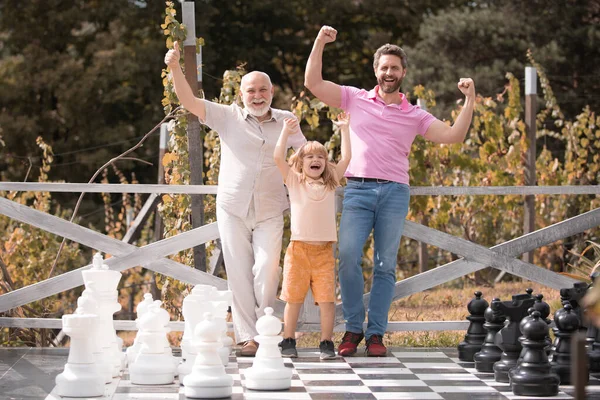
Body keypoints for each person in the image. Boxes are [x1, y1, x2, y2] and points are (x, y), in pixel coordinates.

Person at [305, 25, 476, 356]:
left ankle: (376, 334)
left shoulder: (415, 115)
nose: (388, 72)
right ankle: (354, 328)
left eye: (394, 68)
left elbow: (454, 135)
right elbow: (312, 83)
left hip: (395, 193)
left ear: (403, 73)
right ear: (375, 70)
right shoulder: (354, 98)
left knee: (385, 265)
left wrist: (469, 100)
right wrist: (320, 42)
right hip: (357, 191)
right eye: (383, 67)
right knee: (348, 258)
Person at [164, 42, 306, 357]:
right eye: (251, 91)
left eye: (263, 90)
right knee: (239, 274)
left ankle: (265, 329)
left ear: (272, 92)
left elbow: (306, 156)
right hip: (232, 208)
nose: (258, 95)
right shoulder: (227, 115)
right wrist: (175, 67)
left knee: (268, 270)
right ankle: (250, 338)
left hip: (270, 209)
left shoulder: (286, 120)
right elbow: (188, 100)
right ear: (241, 94)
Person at [273, 113, 351, 360]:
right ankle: (288, 339)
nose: (316, 159)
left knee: (327, 301)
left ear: (326, 163)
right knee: (293, 299)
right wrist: (285, 131)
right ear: (301, 162)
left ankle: (326, 342)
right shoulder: (294, 181)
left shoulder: (331, 183)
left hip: (323, 253)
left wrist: (345, 130)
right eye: (310, 156)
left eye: (321, 156)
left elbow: (347, 157)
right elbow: (277, 157)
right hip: (298, 251)